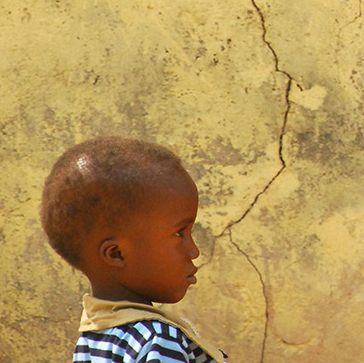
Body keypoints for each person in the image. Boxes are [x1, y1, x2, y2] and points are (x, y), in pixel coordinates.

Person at [40, 136, 227, 363]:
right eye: (180, 233)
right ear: (117, 254)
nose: (194, 251)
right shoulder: (158, 339)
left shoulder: (95, 337)